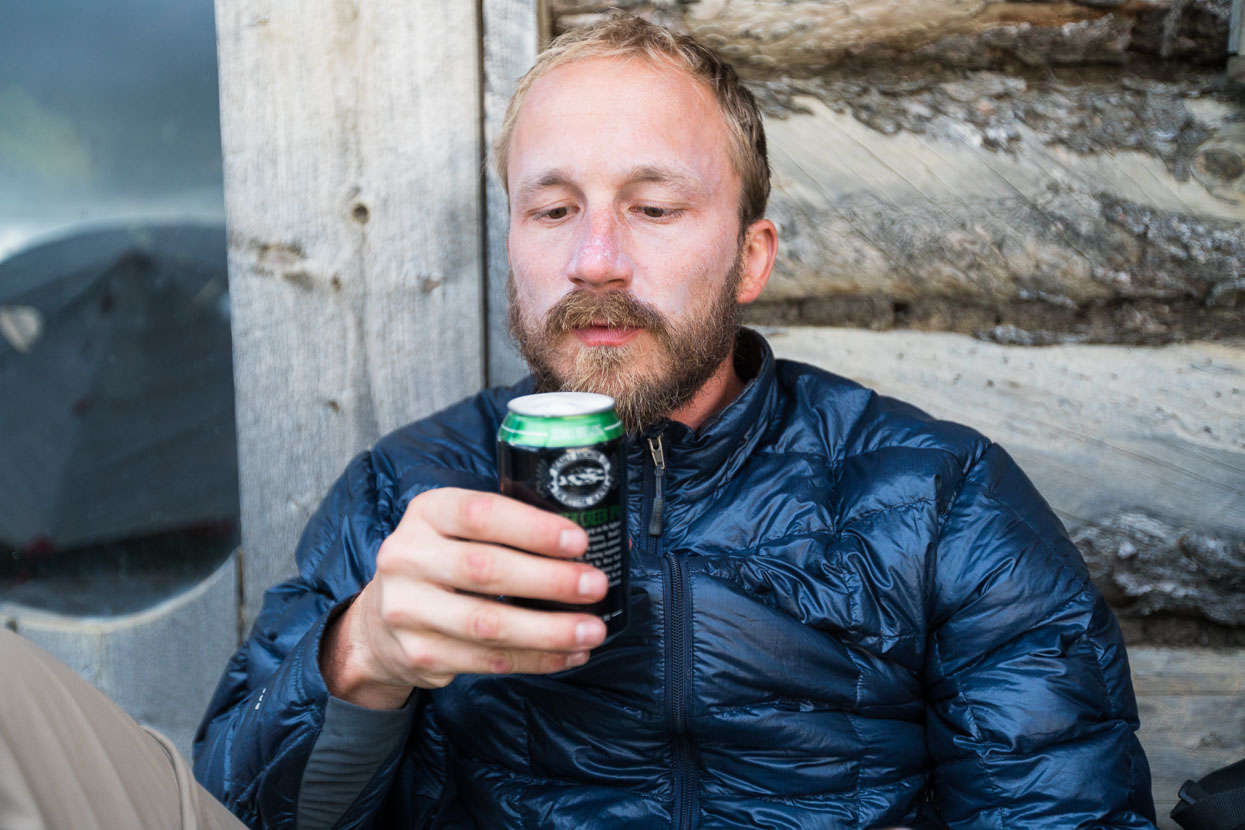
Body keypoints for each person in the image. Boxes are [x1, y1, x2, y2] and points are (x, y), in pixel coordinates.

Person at [193, 14, 1158, 830]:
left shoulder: (941, 500)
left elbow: (1060, 807)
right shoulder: (405, 490)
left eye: (653, 207)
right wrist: (361, 657)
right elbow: (230, 811)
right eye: (553, 209)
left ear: (750, 257)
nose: (596, 258)